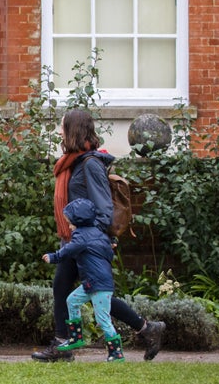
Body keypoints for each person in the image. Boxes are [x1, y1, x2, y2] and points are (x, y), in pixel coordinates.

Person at [32, 109, 166, 362]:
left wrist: (97, 237)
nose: (59, 132)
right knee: (64, 289)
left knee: (93, 292)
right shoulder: (73, 162)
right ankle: (144, 330)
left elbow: (104, 206)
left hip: (87, 240)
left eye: (62, 127)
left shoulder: (90, 164)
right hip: (75, 238)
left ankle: (146, 329)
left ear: (73, 130)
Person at [43, 198, 125, 362]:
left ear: (78, 221)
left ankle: (116, 353)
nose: (69, 226)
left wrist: (53, 257)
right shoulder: (99, 234)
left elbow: (68, 250)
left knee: (103, 320)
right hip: (91, 283)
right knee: (72, 300)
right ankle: (75, 337)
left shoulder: (81, 236)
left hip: (99, 285)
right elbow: (109, 253)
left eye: (70, 222)